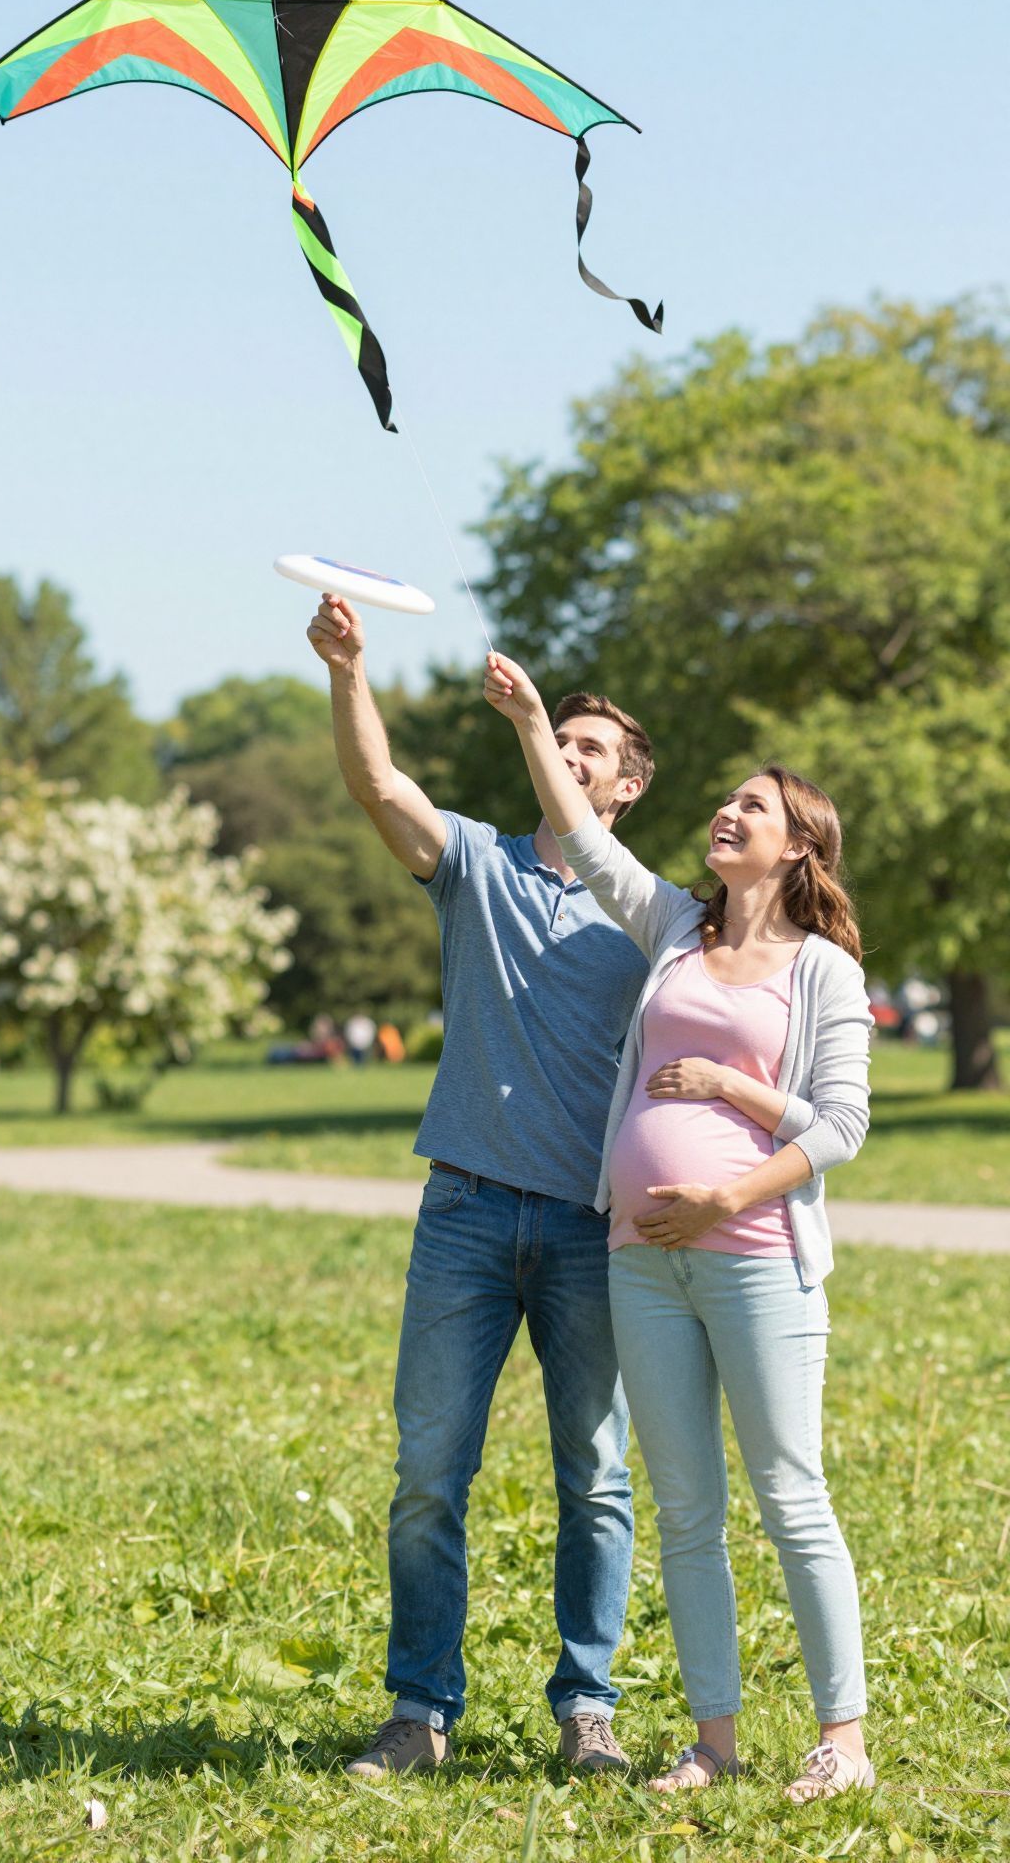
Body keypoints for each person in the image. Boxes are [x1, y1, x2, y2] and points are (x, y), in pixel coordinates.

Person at [484, 649, 874, 1803]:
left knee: (791, 1495)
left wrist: (732, 1161)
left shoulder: (822, 971)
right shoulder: (669, 930)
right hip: (641, 1263)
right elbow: (591, 842)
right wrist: (525, 726)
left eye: (751, 805)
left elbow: (842, 1124)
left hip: (756, 1256)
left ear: (798, 844)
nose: (727, 808)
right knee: (687, 1508)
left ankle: (842, 1739)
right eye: (728, 798)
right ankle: (714, 1735)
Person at [307, 594, 655, 1779]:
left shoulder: (651, 918)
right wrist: (350, 670)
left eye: (591, 748)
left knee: (596, 1477)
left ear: (626, 790)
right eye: (562, 738)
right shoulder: (479, 864)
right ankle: (420, 1708)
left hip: (585, 1229)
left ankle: (588, 1705)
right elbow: (379, 787)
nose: (567, 750)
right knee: (425, 1475)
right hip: (462, 1212)